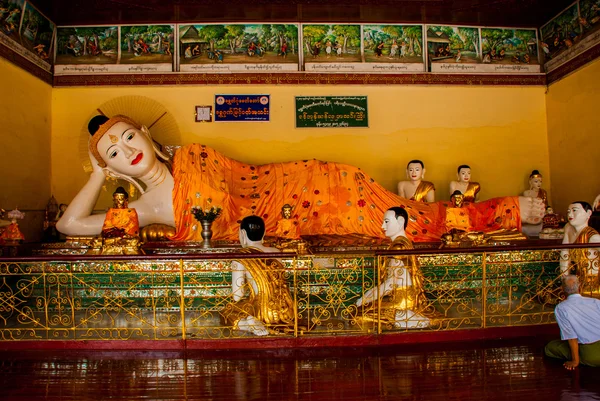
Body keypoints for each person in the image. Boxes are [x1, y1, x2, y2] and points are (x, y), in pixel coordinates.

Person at [57, 114, 545, 243]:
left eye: (126, 137)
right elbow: (67, 226)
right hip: (291, 216)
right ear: (113, 167)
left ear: (144, 132)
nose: (127, 151)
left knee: (375, 197)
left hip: (302, 179)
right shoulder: (142, 208)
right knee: (395, 221)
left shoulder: (193, 155)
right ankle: (502, 211)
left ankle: (499, 212)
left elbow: (248, 177)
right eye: (113, 154)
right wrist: (96, 177)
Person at [356, 207, 430, 329]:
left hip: (402, 299)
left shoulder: (399, 247)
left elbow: (391, 283)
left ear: (400, 221)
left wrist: (366, 298)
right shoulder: (402, 243)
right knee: (363, 310)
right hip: (404, 296)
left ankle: (405, 317)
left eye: (386, 221)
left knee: (360, 313)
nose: (382, 226)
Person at [220, 216, 295, 335]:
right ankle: (256, 323)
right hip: (285, 311)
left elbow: (237, 295)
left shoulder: (241, 257)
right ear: (264, 233)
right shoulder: (276, 251)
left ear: (243, 234)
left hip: (260, 311)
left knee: (226, 313)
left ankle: (249, 324)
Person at [544, 275, 600, 368]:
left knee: (550, 347)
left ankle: (579, 357)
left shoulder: (561, 308)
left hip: (592, 355)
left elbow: (571, 337)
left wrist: (575, 361)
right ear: (580, 286)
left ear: (562, 289)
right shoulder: (596, 302)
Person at [560, 201, 600, 295]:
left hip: (592, 282)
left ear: (588, 213)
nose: (570, 214)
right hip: (577, 278)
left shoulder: (593, 237)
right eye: (568, 211)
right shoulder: (568, 228)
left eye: (574, 210)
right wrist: (564, 276)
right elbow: (565, 254)